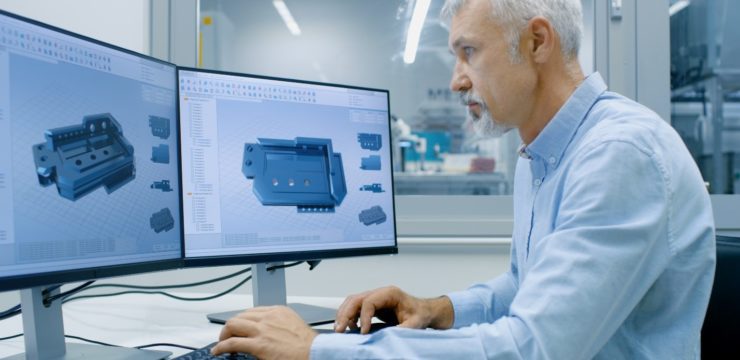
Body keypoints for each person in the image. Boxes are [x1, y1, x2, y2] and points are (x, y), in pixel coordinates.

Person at [211, 0, 716, 358]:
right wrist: (436, 309)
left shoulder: (617, 155)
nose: (456, 78)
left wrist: (315, 350)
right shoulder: (542, 153)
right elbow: (526, 287)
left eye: (468, 51)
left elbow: (531, 348)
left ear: (537, 41)